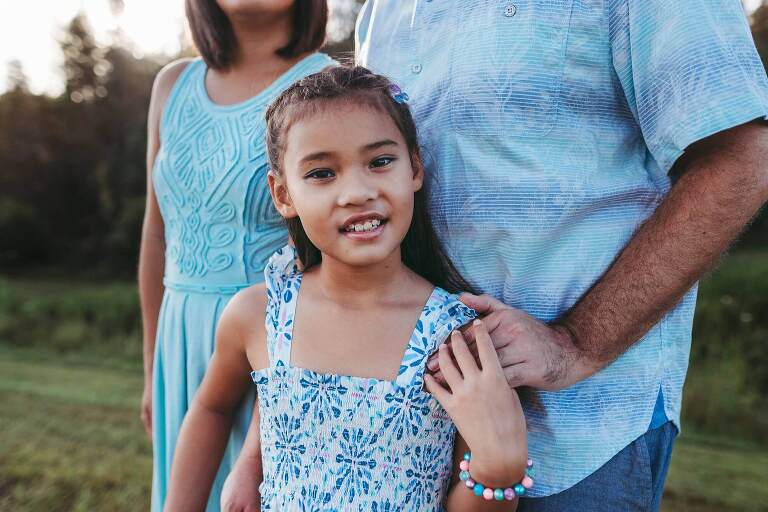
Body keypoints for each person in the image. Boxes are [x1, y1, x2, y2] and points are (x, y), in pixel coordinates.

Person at [354, 1, 768, 510]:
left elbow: (741, 157)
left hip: (577, 435)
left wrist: (577, 342)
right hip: (408, 433)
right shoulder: (384, 8)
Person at [164, 65, 531, 511]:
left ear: (414, 167)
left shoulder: (456, 340)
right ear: (283, 196)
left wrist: (498, 467)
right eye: (321, 173)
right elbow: (212, 407)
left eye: (379, 162)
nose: (357, 192)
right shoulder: (260, 315)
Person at [138, 1, 333, 509]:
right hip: (178, 341)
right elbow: (156, 232)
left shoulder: (326, 86)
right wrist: (151, 367)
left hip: (270, 349)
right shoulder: (171, 85)